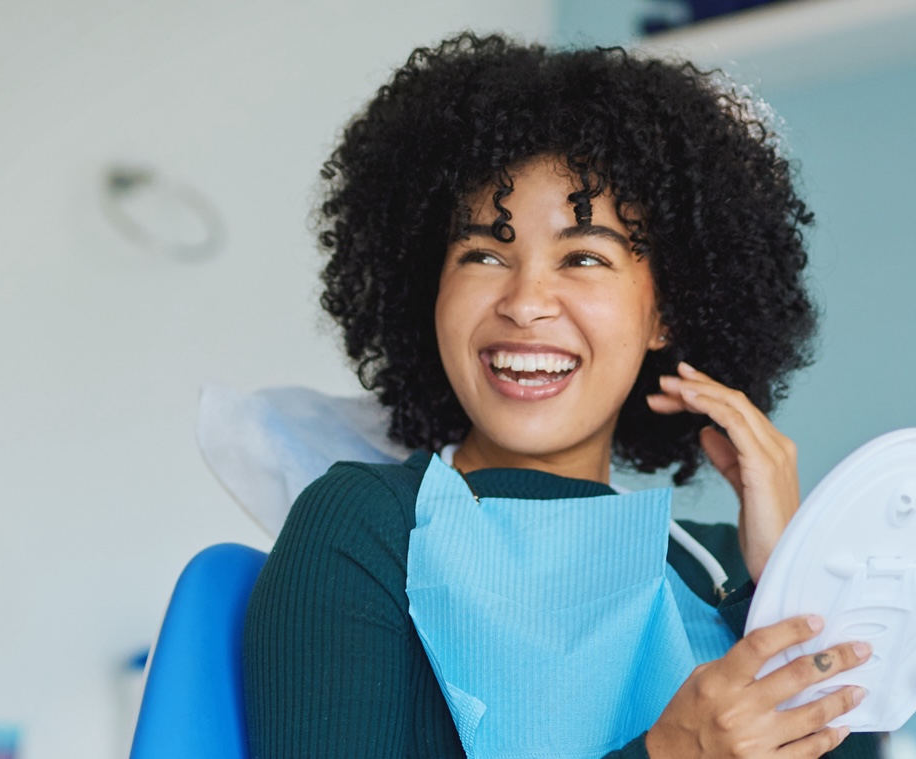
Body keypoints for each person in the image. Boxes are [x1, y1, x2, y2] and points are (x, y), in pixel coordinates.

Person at [243, 32, 880, 759]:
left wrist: (795, 582)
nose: (525, 301)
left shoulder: (725, 572)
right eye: (483, 253)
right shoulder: (366, 529)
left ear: (665, 312)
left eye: (584, 256)